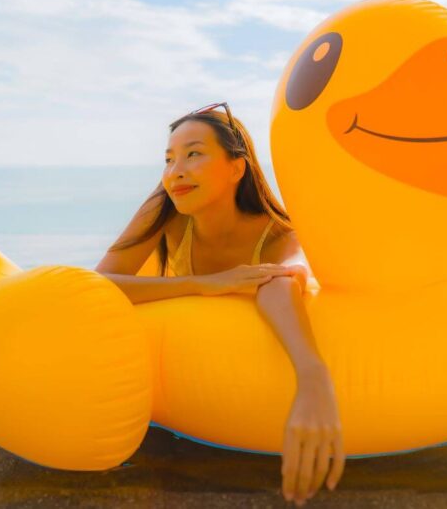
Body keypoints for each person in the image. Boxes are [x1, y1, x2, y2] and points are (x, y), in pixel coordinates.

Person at [94, 101, 345, 506]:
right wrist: (208, 284)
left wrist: (313, 378)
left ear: (236, 168)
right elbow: (100, 283)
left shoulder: (281, 235)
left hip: (236, 387)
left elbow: (280, 283)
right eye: (169, 158)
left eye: (193, 153)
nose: (176, 170)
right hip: (174, 377)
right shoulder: (166, 209)